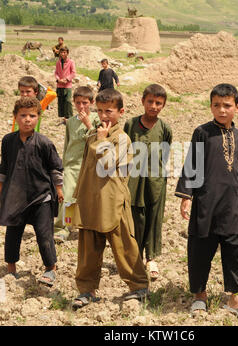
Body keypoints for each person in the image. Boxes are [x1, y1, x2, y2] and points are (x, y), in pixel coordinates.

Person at [175, 83, 238, 326]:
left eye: (227, 106)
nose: (222, 110)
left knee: (234, 249)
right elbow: (193, 164)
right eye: (216, 105)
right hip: (206, 200)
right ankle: (200, 294)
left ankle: (234, 298)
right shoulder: (202, 132)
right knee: (200, 248)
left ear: (237, 107)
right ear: (211, 106)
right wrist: (186, 196)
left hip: (231, 202)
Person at [71, 89, 149, 309]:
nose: (104, 116)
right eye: (101, 111)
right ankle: (86, 291)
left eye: (110, 111)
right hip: (90, 198)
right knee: (88, 248)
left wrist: (101, 141)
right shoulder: (96, 133)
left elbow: (106, 165)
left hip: (113, 200)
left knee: (123, 243)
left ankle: (139, 286)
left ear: (120, 112)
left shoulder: (121, 138)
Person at [0, 97, 64, 286]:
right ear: (15, 117)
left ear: (38, 117)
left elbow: (55, 168)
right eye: (23, 115)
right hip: (15, 195)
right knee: (13, 233)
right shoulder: (8, 141)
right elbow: (3, 168)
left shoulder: (44, 143)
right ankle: (11, 269)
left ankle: (50, 268)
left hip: (41, 196)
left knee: (44, 234)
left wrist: (59, 190)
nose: (27, 119)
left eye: (32, 115)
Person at [124, 84, 172, 280]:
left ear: (163, 105)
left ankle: (151, 257)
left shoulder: (164, 128)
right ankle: (135, 255)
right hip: (133, 180)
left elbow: (165, 151)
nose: (154, 106)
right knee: (135, 217)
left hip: (156, 180)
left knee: (153, 218)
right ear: (143, 101)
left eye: (158, 103)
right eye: (150, 101)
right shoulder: (130, 124)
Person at [54, 86, 100, 243]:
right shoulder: (71, 122)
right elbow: (67, 144)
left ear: (92, 102)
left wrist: (89, 125)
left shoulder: (96, 119)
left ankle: (91, 227)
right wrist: (63, 165)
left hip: (91, 167)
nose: (81, 106)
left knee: (91, 199)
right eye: (78, 103)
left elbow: (99, 141)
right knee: (68, 198)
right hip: (72, 166)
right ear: (73, 102)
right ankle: (64, 228)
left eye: (85, 103)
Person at [55, 46, 76, 125]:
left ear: (67, 53)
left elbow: (73, 73)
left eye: (64, 52)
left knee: (68, 101)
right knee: (61, 102)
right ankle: (64, 119)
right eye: (61, 52)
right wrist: (58, 79)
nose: (63, 54)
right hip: (59, 85)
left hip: (67, 85)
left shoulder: (71, 62)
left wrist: (66, 79)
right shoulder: (58, 62)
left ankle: (70, 118)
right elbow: (56, 72)